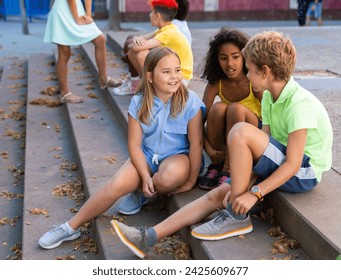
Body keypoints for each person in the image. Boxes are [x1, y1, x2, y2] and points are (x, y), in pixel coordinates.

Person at [111, 31, 333, 259]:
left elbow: (294, 163)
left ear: (265, 72)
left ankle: (236, 217)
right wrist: (246, 181)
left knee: (240, 132)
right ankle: (148, 236)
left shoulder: (299, 104)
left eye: (249, 69)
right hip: (280, 159)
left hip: (303, 171)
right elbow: (265, 148)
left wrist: (254, 193)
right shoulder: (268, 96)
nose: (246, 73)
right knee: (216, 195)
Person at [38, 46, 205, 249]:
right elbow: (134, 144)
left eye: (177, 70)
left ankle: (145, 193)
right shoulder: (138, 102)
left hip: (178, 156)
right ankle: (69, 227)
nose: (174, 76)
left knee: (167, 177)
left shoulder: (190, 101)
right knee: (116, 184)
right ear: (150, 76)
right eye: (167, 71)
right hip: (146, 154)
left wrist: (190, 180)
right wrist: (143, 176)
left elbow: (196, 144)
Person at [198, 27, 262, 191]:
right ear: (216, 60)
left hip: (250, 135)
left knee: (235, 109)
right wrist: (210, 150)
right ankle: (216, 165)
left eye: (235, 57)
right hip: (224, 142)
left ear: (245, 57)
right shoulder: (216, 83)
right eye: (223, 58)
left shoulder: (252, 82)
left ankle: (229, 168)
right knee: (218, 108)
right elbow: (198, 122)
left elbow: (270, 116)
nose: (230, 63)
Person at [44, 0, 122, 104]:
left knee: (100, 40)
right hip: (62, 10)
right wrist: (77, 18)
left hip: (78, 9)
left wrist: (88, 15)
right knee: (64, 52)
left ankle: (104, 79)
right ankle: (64, 93)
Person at [113, 0, 193, 96]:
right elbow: (140, 39)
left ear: (157, 16)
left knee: (140, 54)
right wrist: (137, 39)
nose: (149, 15)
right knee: (132, 53)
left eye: (151, 12)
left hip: (180, 77)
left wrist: (134, 43)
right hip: (171, 70)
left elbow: (137, 47)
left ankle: (153, 91)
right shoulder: (165, 29)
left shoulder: (168, 33)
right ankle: (147, 87)